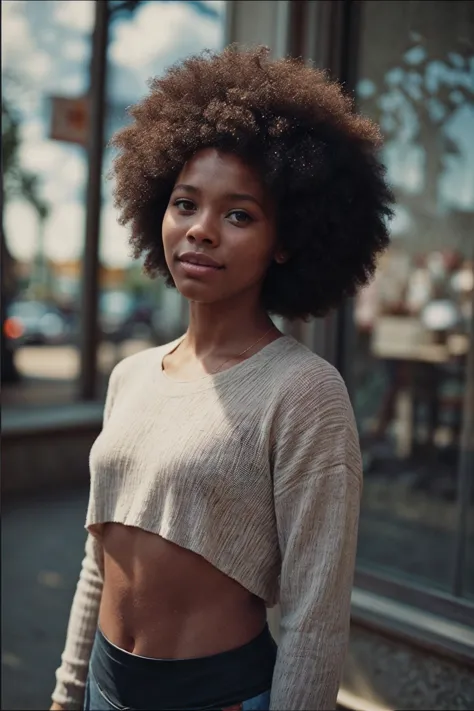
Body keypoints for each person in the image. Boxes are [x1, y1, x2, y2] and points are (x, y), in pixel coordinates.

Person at [50, 45, 393, 711]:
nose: (201, 231)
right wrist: (67, 692)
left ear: (285, 239)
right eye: (186, 204)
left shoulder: (304, 392)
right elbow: (100, 562)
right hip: (103, 688)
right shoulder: (131, 376)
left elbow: (315, 617)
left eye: (239, 214)